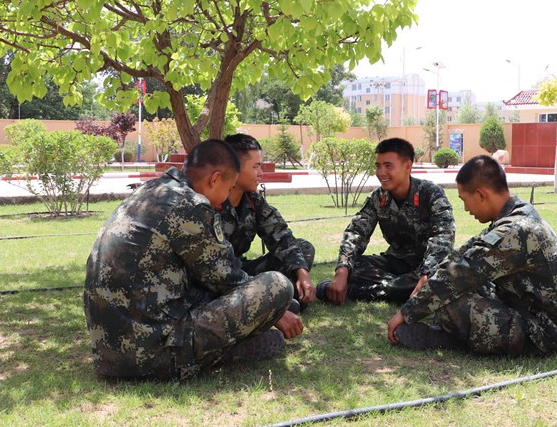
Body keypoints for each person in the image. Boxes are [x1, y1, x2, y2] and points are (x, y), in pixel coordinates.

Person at [83, 139, 302, 381]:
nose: (225, 199)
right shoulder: (190, 205)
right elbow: (227, 279)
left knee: (276, 304)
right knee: (278, 287)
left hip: (109, 353)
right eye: (228, 189)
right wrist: (276, 312)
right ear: (215, 178)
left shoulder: (148, 191)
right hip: (153, 354)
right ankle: (222, 353)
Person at [387, 155, 557, 356]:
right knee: (443, 287)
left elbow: (461, 272)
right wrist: (430, 275)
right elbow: (467, 252)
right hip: (527, 308)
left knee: (446, 299)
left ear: (480, 194)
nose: (466, 209)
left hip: (543, 333)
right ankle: (456, 335)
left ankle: (449, 338)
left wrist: (405, 312)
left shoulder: (514, 230)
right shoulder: (514, 214)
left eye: (465, 200)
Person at [318, 137, 456, 305]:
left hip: (426, 266)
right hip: (395, 263)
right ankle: (405, 291)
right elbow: (356, 232)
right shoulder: (378, 197)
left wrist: (426, 274)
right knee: (354, 267)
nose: (381, 173)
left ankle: (357, 291)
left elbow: (443, 237)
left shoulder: (431, 193)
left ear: (407, 166)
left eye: (388, 166)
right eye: (378, 166)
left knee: (442, 276)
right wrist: (342, 271)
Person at [221, 133, 315, 309]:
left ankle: (282, 299)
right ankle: (275, 302)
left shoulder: (252, 200)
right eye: (255, 167)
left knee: (303, 248)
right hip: (217, 279)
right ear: (234, 168)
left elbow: (281, 236)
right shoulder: (211, 202)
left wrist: (303, 275)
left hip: (242, 272)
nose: (261, 173)